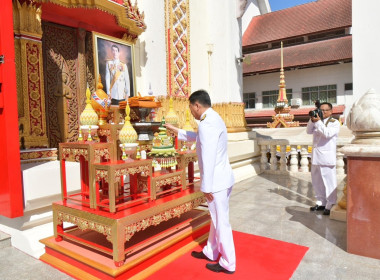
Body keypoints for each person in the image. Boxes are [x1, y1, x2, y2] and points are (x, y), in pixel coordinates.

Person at [165, 90, 236, 274]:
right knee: (216, 220)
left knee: (221, 222)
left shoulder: (207, 123)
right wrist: (177, 131)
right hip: (222, 178)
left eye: (191, 108)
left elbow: (208, 155)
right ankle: (211, 251)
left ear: (197, 105)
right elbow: (199, 138)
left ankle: (229, 262)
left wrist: (206, 186)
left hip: (217, 182)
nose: (191, 112)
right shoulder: (213, 118)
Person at [307, 102, 340, 216]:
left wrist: (318, 122)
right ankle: (321, 202)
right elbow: (308, 131)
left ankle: (331, 204)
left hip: (326, 157)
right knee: (317, 182)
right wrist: (312, 120)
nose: (323, 112)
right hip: (316, 156)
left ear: (331, 111)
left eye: (326, 110)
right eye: (321, 110)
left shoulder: (334, 123)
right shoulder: (317, 121)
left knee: (329, 182)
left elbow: (327, 133)